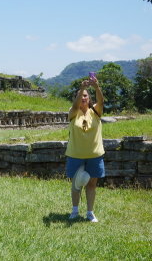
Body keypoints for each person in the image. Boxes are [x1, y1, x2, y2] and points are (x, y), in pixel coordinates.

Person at [65, 74, 105, 223]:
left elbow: (101, 100)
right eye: (80, 95)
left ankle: (90, 212)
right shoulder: (73, 112)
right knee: (76, 184)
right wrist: (82, 87)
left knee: (92, 184)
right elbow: (75, 106)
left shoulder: (95, 111)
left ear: (89, 98)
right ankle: (75, 211)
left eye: (86, 95)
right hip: (76, 154)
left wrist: (96, 87)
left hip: (94, 154)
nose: (83, 98)